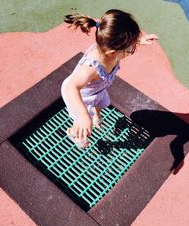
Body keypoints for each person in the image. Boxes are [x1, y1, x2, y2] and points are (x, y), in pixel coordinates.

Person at [61, 9, 158, 148]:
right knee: (83, 122)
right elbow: (72, 87)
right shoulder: (92, 66)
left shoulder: (109, 46)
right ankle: (74, 134)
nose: (133, 50)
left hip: (97, 91)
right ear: (113, 52)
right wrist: (82, 116)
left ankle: (96, 114)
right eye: (130, 48)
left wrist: (139, 40)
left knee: (102, 103)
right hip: (80, 97)